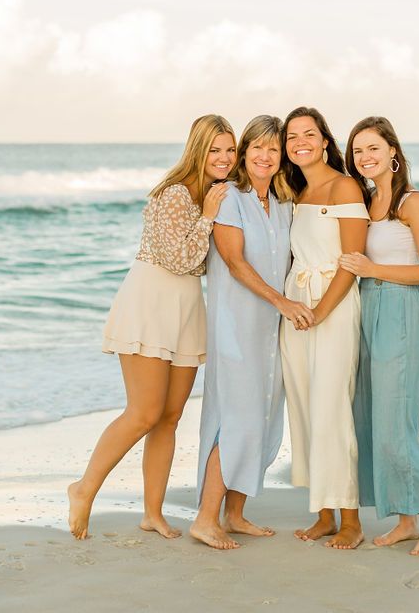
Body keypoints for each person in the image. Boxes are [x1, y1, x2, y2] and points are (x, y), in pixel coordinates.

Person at [67, 115, 236, 540]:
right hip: (150, 302)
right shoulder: (176, 195)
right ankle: (83, 488)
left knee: (170, 416)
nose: (224, 158)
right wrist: (209, 216)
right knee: (143, 412)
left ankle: (152, 513)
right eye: (214, 149)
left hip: (186, 307)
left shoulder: (216, 195)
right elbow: (181, 260)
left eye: (230, 150)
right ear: (197, 150)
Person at [191, 116, 313, 550]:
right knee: (236, 419)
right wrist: (283, 302)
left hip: (271, 331)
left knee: (261, 414)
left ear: (281, 159)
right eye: (257, 148)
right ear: (245, 153)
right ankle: (206, 518)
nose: (265, 156)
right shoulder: (228, 197)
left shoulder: (282, 203)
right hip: (235, 325)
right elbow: (236, 263)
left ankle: (235, 514)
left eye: (273, 149)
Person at [341, 115, 419, 556]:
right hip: (366, 309)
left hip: (400, 311)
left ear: (393, 153)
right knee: (371, 418)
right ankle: (404, 519)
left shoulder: (413, 202)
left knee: (395, 422)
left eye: (373, 148)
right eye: (358, 150)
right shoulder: (366, 204)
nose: (365, 157)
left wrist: (373, 270)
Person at [280, 106, 369, 550]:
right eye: (292, 136)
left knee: (333, 407)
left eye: (308, 134)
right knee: (304, 405)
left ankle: (351, 519)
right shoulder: (293, 192)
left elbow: (351, 263)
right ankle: (323, 513)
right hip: (295, 307)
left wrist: (321, 311)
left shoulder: (344, 185)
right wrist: (294, 308)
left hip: (331, 306)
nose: (300, 142)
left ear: (325, 140)